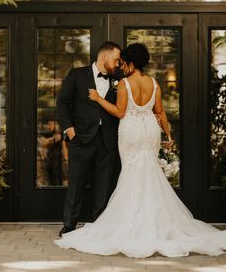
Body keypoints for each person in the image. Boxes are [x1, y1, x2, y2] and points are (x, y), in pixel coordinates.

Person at [55, 43, 226, 257]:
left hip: (126, 134)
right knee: (145, 174)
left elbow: (119, 111)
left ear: (132, 63)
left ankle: (118, 226)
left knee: (123, 178)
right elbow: (161, 113)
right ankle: (75, 225)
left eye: (123, 62)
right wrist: (169, 137)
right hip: (143, 133)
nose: (120, 65)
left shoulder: (123, 82)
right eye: (118, 61)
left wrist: (98, 99)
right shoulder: (153, 83)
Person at [56, 41, 122, 237]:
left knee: (104, 184)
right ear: (104, 57)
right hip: (81, 138)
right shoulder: (77, 75)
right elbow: (62, 103)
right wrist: (70, 131)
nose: (118, 64)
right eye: (116, 59)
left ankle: (100, 224)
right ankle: (69, 224)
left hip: (107, 139)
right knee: (76, 182)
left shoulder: (118, 78)